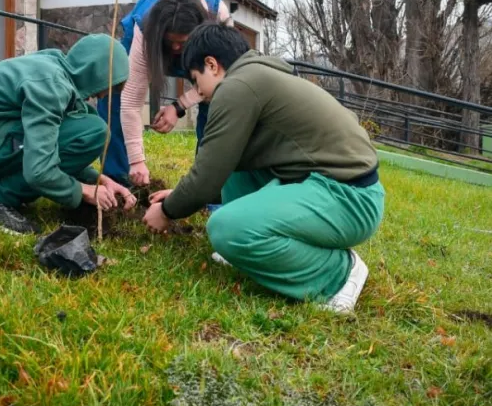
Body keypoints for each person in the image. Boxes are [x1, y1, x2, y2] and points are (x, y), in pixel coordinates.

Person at [143, 23, 385, 314]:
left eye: (196, 81)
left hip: (348, 199)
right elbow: (220, 166)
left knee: (224, 229)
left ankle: (338, 274)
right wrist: (180, 195)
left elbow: (205, 179)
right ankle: (247, 245)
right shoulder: (257, 76)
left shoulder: (237, 87)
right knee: (233, 164)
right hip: (334, 186)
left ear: (212, 64)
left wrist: (168, 210)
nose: (199, 93)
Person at [0, 33, 136, 234]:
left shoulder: (55, 69)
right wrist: (83, 191)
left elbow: (54, 144)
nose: (102, 95)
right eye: (107, 87)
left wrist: (100, 180)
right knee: (93, 131)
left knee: (85, 122)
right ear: (95, 72)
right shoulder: (51, 85)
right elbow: (39, 170)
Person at [97, 0, 232, 188]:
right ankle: (118, 181)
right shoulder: (144, 28)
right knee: (113, 92)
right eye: (171, 42)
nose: (176, 48)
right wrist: (137, 161)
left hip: (206, 53)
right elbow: (131, 103)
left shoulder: (219, 17)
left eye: (182, 42)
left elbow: (220, 79)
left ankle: (209, 184)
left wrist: (178, 107)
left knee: (218, 102)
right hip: (149, 38)